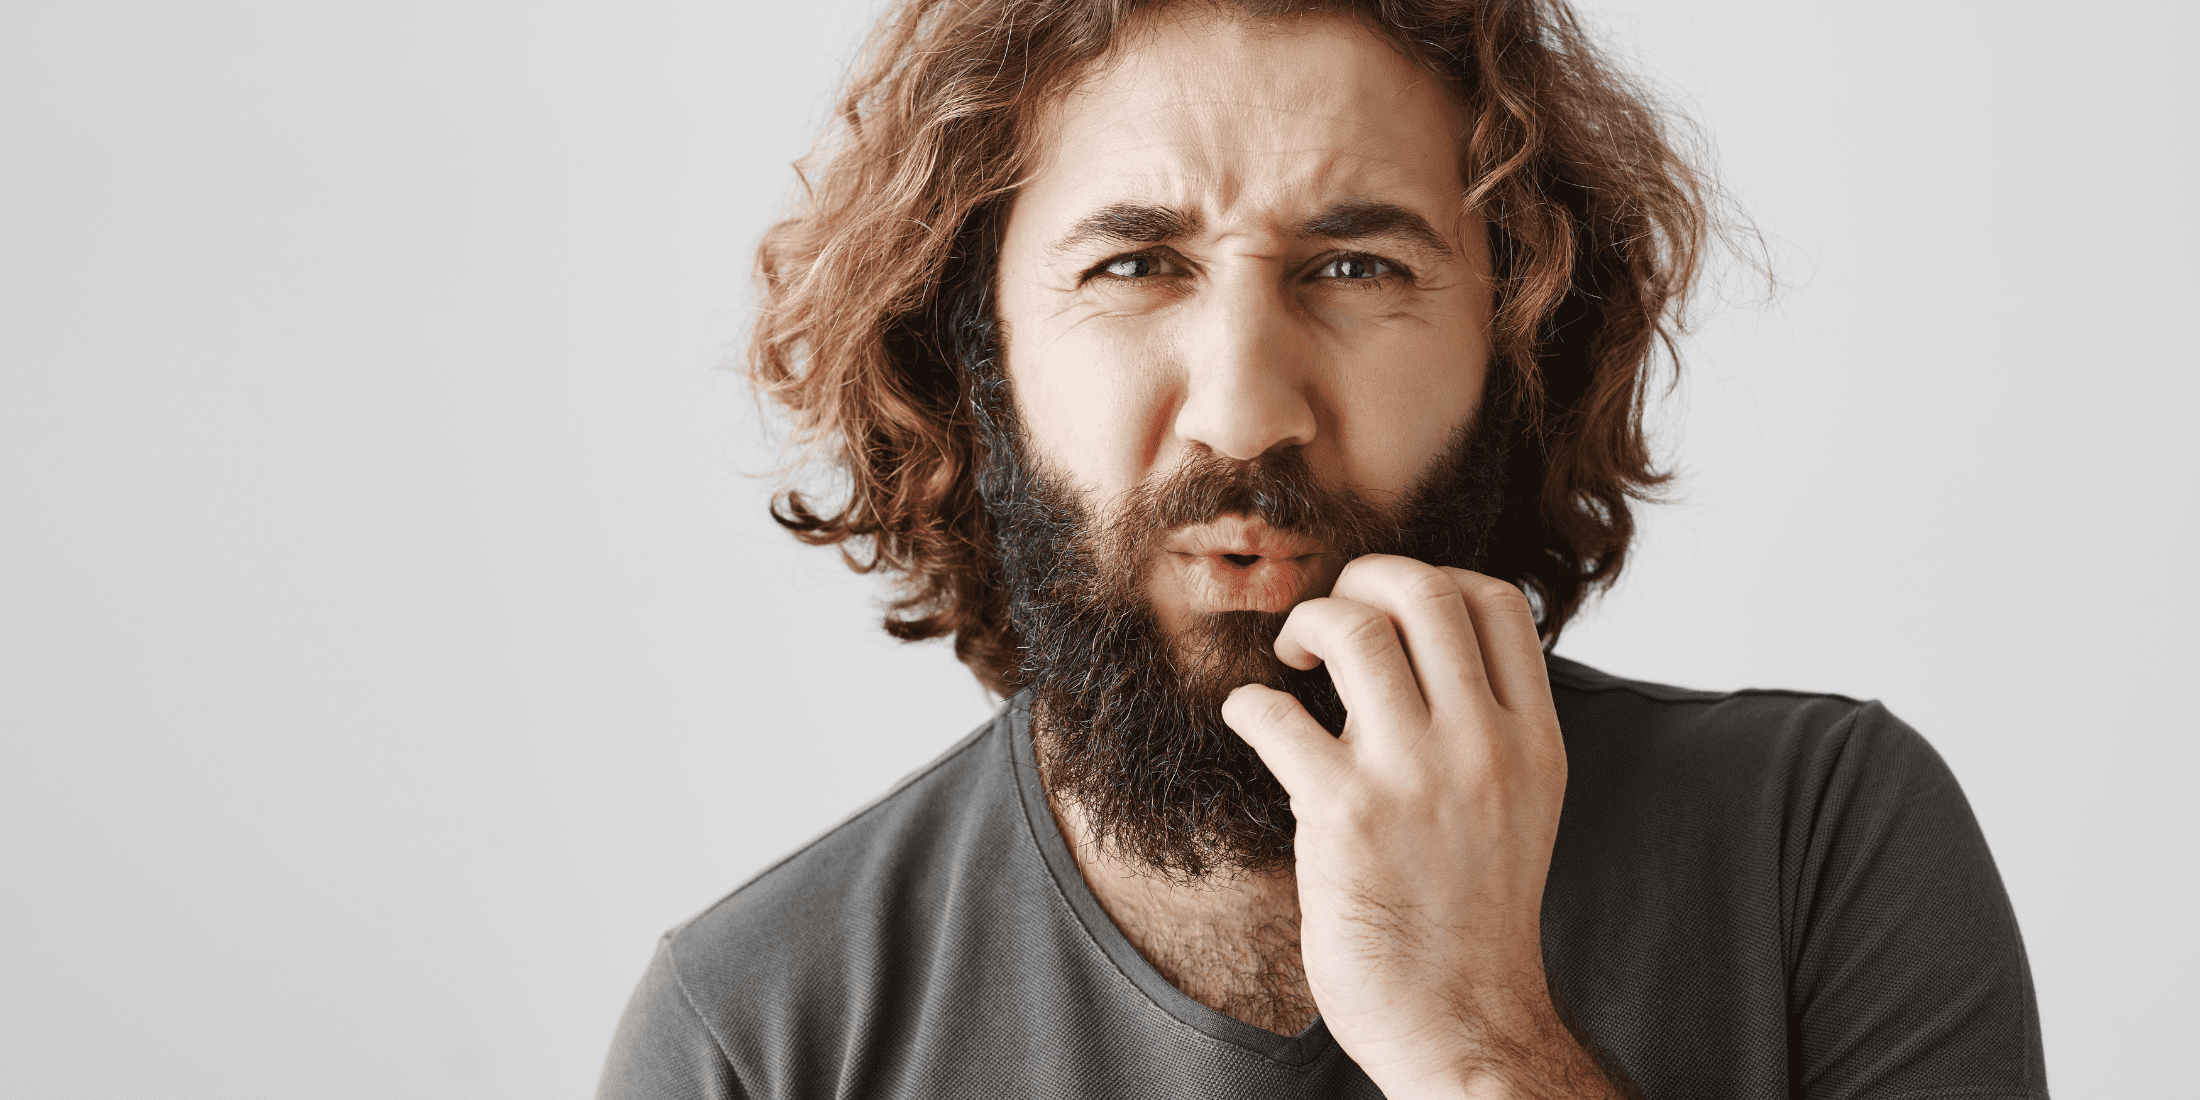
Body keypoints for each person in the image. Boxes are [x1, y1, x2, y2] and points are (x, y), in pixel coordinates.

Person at [598, 1, 2045, 1096]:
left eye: (1356, 268)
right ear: (971, 356)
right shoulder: (760, 1034)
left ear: (1518, 347)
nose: (1245, 409)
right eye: (1134, 265)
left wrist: (1480, 1040)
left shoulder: (1818, 849)